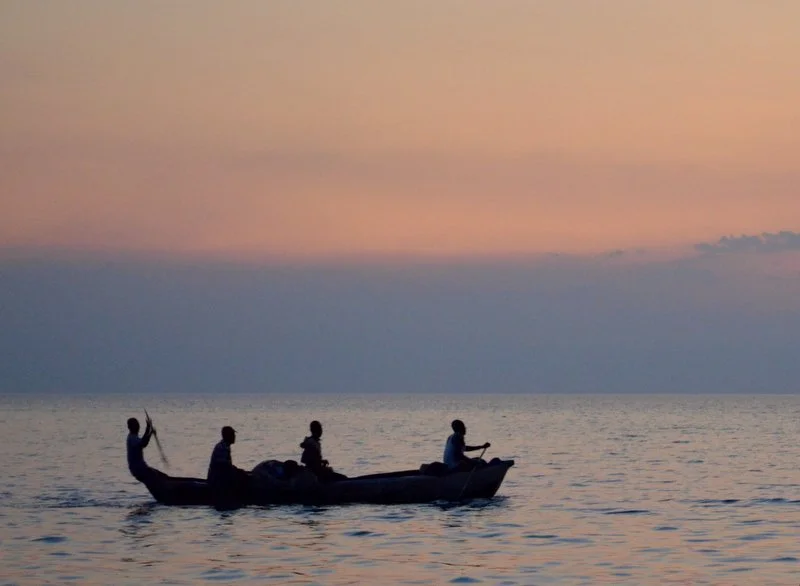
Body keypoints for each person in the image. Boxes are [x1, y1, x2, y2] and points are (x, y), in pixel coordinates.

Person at [207, 426, 250, 498]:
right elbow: (224, 467)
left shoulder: (225, 446)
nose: (234, 436)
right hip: (217, 479)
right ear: (227, 436)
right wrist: (238, 472)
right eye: (232, 435)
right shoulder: (222, 447)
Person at [126, 415, 158, 483]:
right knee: (155, 476)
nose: (138, 427)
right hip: (138, 469)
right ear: (130, 427)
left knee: (157, 474)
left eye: (138, 425)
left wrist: (148, 429)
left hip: (141, 467)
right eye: (136, 425)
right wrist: (149, 432)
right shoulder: (132, 438)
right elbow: (143, 443)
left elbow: (144, 443)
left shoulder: (134, 437)